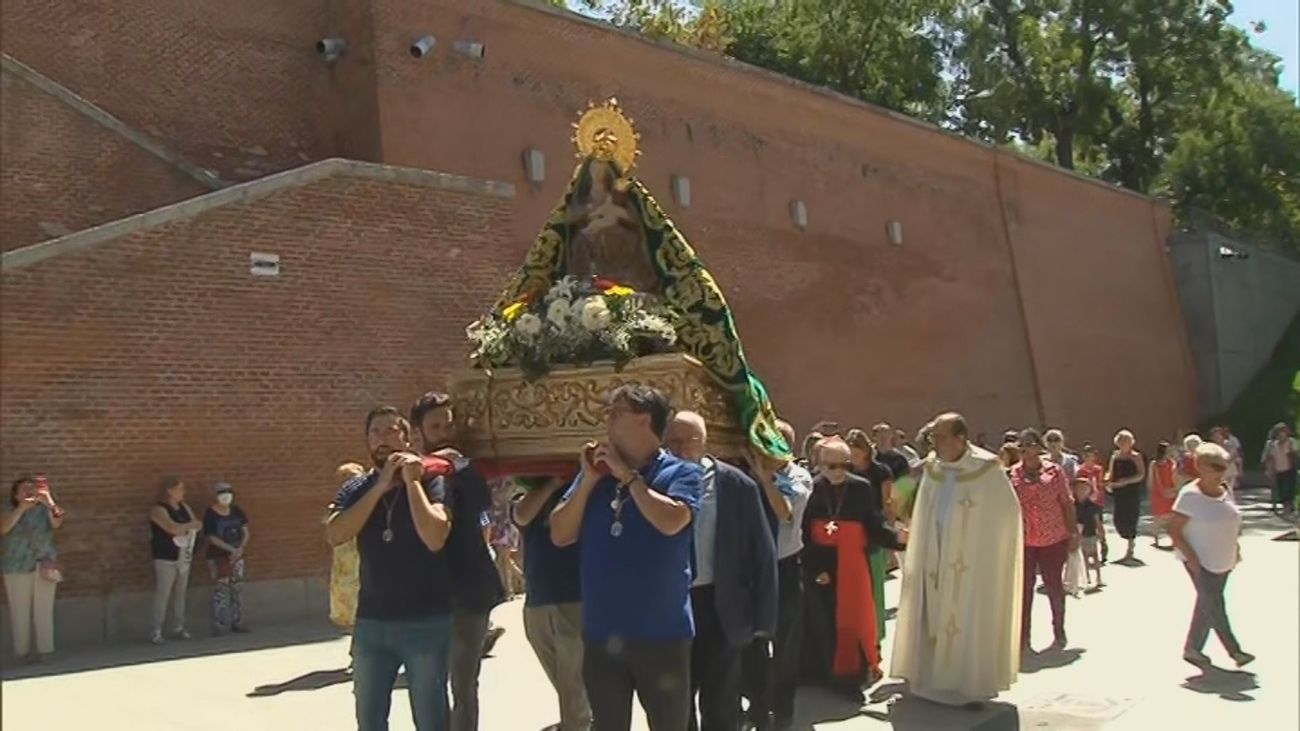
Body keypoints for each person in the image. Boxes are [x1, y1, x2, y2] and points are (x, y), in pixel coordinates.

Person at [550, 384, 703, 731]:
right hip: (603, 632)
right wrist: (588, 480)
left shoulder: (682, 473)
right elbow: (560, 534)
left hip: (662, 634)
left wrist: (629, 477)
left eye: (616, 412)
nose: (607, 419)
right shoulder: (595, 476)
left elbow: (671, 521)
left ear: (643, 420)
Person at [326, 406, 454, 731]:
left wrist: (411, 485)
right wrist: (380, 486)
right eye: (374, 432)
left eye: (389, 431)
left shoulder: (433, 482)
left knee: (431, 718)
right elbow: (336, 533)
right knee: (369, 719)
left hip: (426, 622)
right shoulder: (356, 488)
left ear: (407, 437)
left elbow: (436, 536)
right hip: (372, 624)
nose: (382, 439)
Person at [891, 413, 1022, 708]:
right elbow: (919, 508)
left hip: (972, 562)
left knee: (966, 617)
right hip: (935, 555)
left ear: (961, 438)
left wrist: (987, 555)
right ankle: (931, 680)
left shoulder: (987, 469)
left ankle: (968, 684)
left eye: (940, 437)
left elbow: (1006, 519)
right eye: (932, 438)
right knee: (933, 613)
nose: (934, 443)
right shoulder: (933, 467)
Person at [664, 411, 777, 731]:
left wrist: (764, 618)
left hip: (721, 605)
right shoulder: (656, 481)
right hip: (673, 606)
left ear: (705, 442)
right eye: (673, 442)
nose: (681, 449)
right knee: (675, 702)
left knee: (721, 702)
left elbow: (762, 551)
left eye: (690, 442)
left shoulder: (736, 484)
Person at [410, 391, 506, 731]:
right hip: (425, 594)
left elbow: (482, 509)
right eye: (436, 426)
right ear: (418, 432)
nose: (445, 432)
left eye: (449, 424)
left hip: (469, 590)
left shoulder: (466, 469)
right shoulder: (411, 474)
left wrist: (457, 468)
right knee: (429, 682)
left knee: (463, 682)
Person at [802, 438, 906, 704]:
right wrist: (816, 568)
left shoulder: (860, 488)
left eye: (842, 465)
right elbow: (804, 534)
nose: (836, 471)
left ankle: (849, 678)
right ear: (820, 464)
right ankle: (822, 674)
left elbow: (873, 524)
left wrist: (897, 540)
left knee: (852, 622)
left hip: (852, 567)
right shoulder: (810, 488)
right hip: (821, 565)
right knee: (823, 622)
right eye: (830, 465)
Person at [741, 419, 812, 731]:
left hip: (784, 567)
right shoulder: (746, 479)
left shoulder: (799, 477)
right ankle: (757, 707)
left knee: (784, 645)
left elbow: (785, 513)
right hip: (754, 570)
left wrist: (766, 479)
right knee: (752, 645)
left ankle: (783, 711)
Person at [514, 477, 592, 731]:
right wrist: (549, 483)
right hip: (537, 601)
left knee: (573, 685)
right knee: (567, 685)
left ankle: (577, 725)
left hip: (575, 597)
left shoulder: (585, 491)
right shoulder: (529, 495)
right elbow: (522, 517)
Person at [1167, 443, 1253, 669]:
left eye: (1224, 466)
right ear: (1201, 467)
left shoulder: (1225, 489)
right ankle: (1235, 651)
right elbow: (1174, 530)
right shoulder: (1189, 496)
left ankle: (1192, 648)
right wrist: (1191, 558)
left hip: (1224, 559)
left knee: (1207, 604)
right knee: (1214, 604)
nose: (1222, 471)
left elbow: (1232, 521)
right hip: (1199, 561)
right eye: (1216, 467)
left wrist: (1235, 547)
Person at [1010, 429, 1077, 653]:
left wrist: (1073, 533)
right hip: (1025, 542)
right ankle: (1023, 637)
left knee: (1054, 587)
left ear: (1039, 447)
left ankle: (1059, 630)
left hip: (1053, 538)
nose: (1025, 450)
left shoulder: (1055, 472)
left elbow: (1067, 503)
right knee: (1024, 590)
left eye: (1029, 445)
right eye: (1021, 447)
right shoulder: (1012, 475)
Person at [2, 475, 65, 663]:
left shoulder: (44, 511)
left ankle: (46, 650)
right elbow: (4, 528)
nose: (29, 492)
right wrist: (21, 508)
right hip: (15, 566)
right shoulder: (8, 511)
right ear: (15, 494)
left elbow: (58, 522)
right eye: (24, 489)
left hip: (43, 564)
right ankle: (21, 652)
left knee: (44, 610)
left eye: (32, 488)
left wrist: (49, 501)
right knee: (19, 611)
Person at [844, 429, 895, 654]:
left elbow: (887, 505)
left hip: (874, 536)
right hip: (849, 537)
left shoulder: (880, 472)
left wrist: (890, 538)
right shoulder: (844, 471)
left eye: (856, 452)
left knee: (875, 590)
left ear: (865, 451)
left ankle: (875, 640)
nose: (853, 457)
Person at [149, 475, 202, 645]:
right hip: (166, 556)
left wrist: (187, 527)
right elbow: (171, 528)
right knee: (163, 593)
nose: (183, 492)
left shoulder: (184, 507)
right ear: (170, 491)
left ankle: (178, 626)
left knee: (180, 593)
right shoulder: (159, 509)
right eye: (179, 489)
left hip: (184, 554)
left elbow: (197, 523)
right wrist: (186, 527)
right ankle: (156, 629)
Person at [203, 481, 250, 635]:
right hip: (218, 557)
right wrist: (229, 549)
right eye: (222, 492)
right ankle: (220, 624)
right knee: (220, 590)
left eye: (228, 492)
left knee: (237, 588)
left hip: (237, 556)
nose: (226, 495)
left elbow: (245, 530)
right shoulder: (210, 514)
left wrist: (240, 548)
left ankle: (238, 622)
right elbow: (211, 537)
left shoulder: (237, 511)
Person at [329, 462, 367, 634]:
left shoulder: (367, 494)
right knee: (346, 601)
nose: (348, 482)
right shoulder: (342, 498)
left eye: (350, 477)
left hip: (362, 555)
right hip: (345, 557)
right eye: (343, 478)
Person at [1105, 430, 1146, 565]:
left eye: (1126, 441)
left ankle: (1130, 550)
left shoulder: (1136, 456)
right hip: (1118, 492)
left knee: (1131, 518)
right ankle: (1127, 544)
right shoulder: (1114, 456)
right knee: (1118, 519)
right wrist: (1107, 481)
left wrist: (1126, 481)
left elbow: (1141, 475)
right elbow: (1110, 472)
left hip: (1131, 491)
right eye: (1121, 441)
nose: (1124, 444)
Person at [490, 480, 524, 599]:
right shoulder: (496, 482)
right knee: (503, 557)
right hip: (498, 521)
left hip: (505, 521)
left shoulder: (504, 481)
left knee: (504, 557)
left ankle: (511, 589)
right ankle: (510, 589)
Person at [1076, 447, 1108, 562]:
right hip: (1087, 500)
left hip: (1098, 500)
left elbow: (1100, 483)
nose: (1089, 459)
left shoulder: (1098, 469)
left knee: (1099, 522)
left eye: (1091, 456)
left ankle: (1103, 543)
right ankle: (1087, 549)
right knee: (1087, 524)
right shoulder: (1081, 470)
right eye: (1086, 456)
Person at [1073, 477, 1104, 590]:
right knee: (1083, 557)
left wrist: (1101, 533)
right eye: (1079, 489)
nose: (1081, 491)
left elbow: (1097, 521)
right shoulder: (1072, 506)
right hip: (1078, 535)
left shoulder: (1093, 506)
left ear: (1089, 490)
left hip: (1090, 533)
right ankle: (1086, 578)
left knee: (1094, 556)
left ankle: (1099, 577)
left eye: (1084, 488)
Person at [1261, 423, 1298, 515]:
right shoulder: (1271, 444)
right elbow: (1267, 457)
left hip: (1290, 469)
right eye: (1279, 433)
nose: (1282, 435)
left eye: (1284, 432)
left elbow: (1296, 454)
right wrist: (1269, 469)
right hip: (1278, 469)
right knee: (1281, 489)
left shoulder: (1291, 442)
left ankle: (1290, 505)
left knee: (1290, 488)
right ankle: (1285, 505)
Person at [1148, 443, 1177, 549]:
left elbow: (1173, 476)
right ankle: (1158, 539)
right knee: (1162, 516)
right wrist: (1167, 490)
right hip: (1163, 491)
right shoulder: (1158, 463)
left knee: (1166, 516)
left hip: (1165, 490)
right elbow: (1156, 478)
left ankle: (1166, 540)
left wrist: (1173, 489)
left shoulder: (1168, 463)